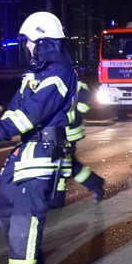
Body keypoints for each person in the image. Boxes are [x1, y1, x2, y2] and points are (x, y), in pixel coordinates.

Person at [0, 11, 78, 264]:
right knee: (6, 212)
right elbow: (15, 108)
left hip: (43, 155)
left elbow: (34, 112)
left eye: (31, 42)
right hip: (23, 152)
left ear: (44, 42)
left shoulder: (60, 73)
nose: (28, 47)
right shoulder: (36, 74)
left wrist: (1, 131)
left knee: (24, 221)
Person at [51, 75, 106, 205]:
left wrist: (72, 115)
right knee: (66, 162)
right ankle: (95, 183)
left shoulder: (74, 81)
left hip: (68, 131)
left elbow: (87, 100)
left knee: (62, 163)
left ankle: (56, 199)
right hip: (58, 130)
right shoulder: (55, 79)